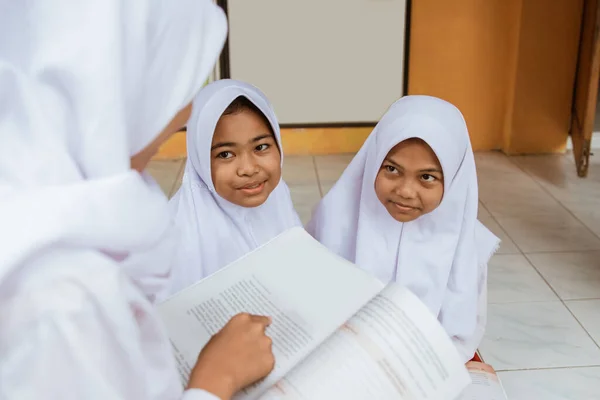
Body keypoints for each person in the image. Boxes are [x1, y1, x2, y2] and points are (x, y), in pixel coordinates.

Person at [0, 1, 275, 399]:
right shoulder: (62, 297)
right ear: (116, 86)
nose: (185, 112)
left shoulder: (49, 203)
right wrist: (216, 381)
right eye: (181, 81)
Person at [306, 95, 500, 362]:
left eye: (427, 177)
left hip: (423, 368)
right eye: (392, 169)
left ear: (454, 181)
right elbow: (308, 307)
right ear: (373, 161)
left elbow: (462, 336)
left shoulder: (468, 246)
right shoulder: (333, 221)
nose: (405, 191)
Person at [163, 80, 300, 298]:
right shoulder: (177, 237)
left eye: (261, 147)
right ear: (201, 161)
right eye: (225, 154)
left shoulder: (279, 198)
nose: (248, 169)